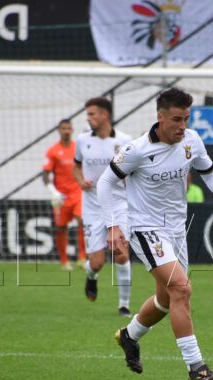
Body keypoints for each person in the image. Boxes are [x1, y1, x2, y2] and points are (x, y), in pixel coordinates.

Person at [97, 87, 213, 380]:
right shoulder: (136, 150)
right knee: (181, 289)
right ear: (160, 117)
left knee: (166, 298)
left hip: (177, 229)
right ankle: (196, 367)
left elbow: (208, 171)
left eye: (186, 118)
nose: (182, 125)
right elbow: (105, 182)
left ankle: (129, 335)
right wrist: (112, 226)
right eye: (177, 119)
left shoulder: (192, 140)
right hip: (145, 228)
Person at [73, 97, 133, 317]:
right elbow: (76, 167)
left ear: (105, 115)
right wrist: (80, 181)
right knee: (97, 263)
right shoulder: (82, 140)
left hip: (118, 205)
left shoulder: (125, 140)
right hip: (92, 207)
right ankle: (91, 276)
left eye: (92, 114)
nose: (88, 118)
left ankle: (124, 305)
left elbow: (134, 169)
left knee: (121, 255)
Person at [43, 119, 85, 271]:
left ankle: (82, 258)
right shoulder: (52, 151)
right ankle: (64, 261)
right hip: (61, 196)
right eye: (63, 128)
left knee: (83, 221)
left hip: (78, 193)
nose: (66, 131)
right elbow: (45, 174)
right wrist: (53, 192)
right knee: (61, 228)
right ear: (59, 130)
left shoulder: (78, 148)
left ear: (72, 130)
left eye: (68, 128)